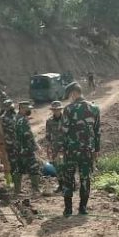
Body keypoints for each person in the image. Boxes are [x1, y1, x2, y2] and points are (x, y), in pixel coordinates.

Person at [60, 82, 100, 216]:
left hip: (71, 151)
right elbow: (97, 132)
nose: (70, 98)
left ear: (73, 93)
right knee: (85, 178)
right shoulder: (94, 108)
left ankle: (68, 209)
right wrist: (96, 150)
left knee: (68, 178)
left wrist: (61, 148)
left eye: (70, 95)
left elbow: (64, 131)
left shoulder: (68, 109)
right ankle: (83, 208)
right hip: (87, 151)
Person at [11, 101, 40, 195]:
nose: (29, 110)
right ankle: (35, 190)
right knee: (34, 167)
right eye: (28, 109)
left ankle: (17, 191)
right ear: (22, 109)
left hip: (17, 148)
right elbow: (27, 135)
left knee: (18, 169)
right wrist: (35, 146)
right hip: (26, 148)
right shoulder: (22, 120)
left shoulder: (15, 118)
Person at [0, 100, 14, 187]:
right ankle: (9, 183)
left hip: (12, 146)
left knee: (13, 165)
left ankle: (13, 182)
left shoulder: (14, 120)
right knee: (7, 165)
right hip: (3, 146)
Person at [45, 100, 65, 193]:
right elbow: (48, 135)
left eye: (58, 109)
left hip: (66, 146)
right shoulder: (49, 121)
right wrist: (48, 147)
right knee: (57, 167)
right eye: (54, 109)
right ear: (52, 110)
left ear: (60, 109)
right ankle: (61, 185)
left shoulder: (66, 119)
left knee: (67, 166)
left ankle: (70, 185)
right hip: (55, 147)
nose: (56, 111)